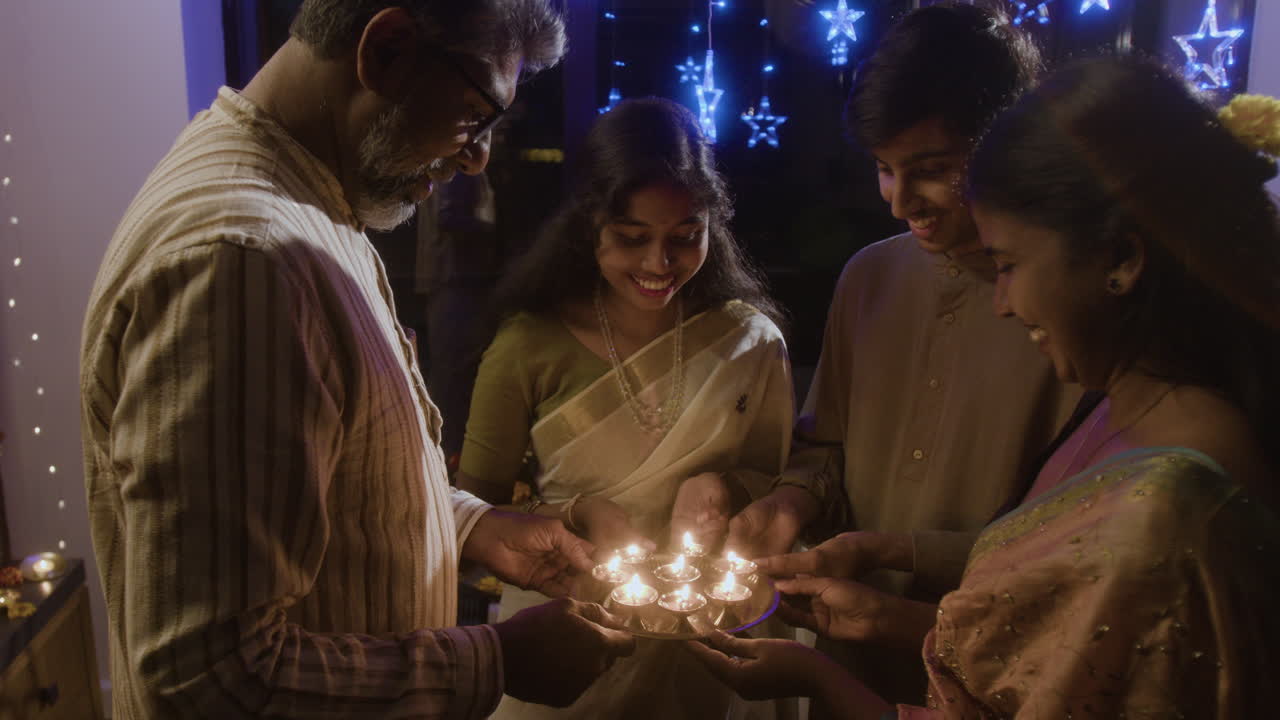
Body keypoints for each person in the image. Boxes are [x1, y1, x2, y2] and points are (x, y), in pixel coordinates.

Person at [78, 3, 636, 718]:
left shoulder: (308, 205)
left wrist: (473, 527)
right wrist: (495, 660)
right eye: (476, 115)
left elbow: (322, 484)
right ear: (388, 50)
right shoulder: (244, 261)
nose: (478, 157)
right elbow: (210, 677)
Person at [689, 55, 1280, 718]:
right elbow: (1062, 624)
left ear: (1120, 258)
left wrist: (820, 679)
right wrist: (881, 589)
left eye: (1008, 265)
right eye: (884, 168)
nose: (1001, 302)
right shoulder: (1124, 402)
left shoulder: (1169, 498)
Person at [726, 2, 1079, 703]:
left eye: (931, 169)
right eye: (884, 169)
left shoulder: (1066, 299)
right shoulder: (870, 276)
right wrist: (790, 503)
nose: (898, 201)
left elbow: (1078, 541)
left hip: (1007, 676)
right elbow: (827, 448)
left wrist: (901, 564)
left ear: (1008, 143)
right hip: (847, 660)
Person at [456, 97, 794, 719]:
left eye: (685, 238)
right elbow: (471, 514)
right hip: (572, 637)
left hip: (714, 638)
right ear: (590, 224)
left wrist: (724, 488)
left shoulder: (747, 342)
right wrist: (579, 513)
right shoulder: (528, 344)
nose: (658, 264)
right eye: (633, 238)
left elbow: (781, 481)